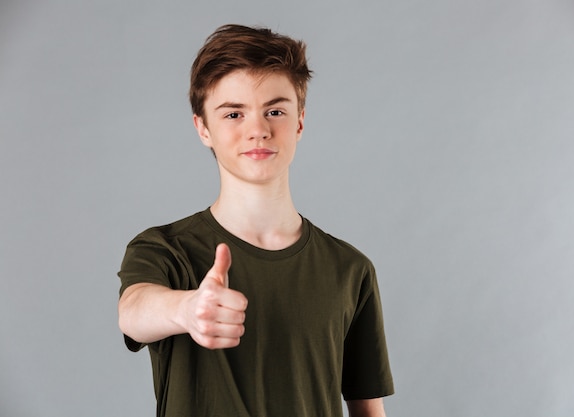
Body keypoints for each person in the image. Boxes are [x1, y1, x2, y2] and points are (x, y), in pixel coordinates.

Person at [117, 24, 394, 417]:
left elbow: (368, 409)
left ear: (299, 122)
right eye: (233, 113)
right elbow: (133, 312)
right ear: (203, 128)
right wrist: (187, 309)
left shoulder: (350, 269)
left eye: (275, 111)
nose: (258, 130)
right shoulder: (165, 250)